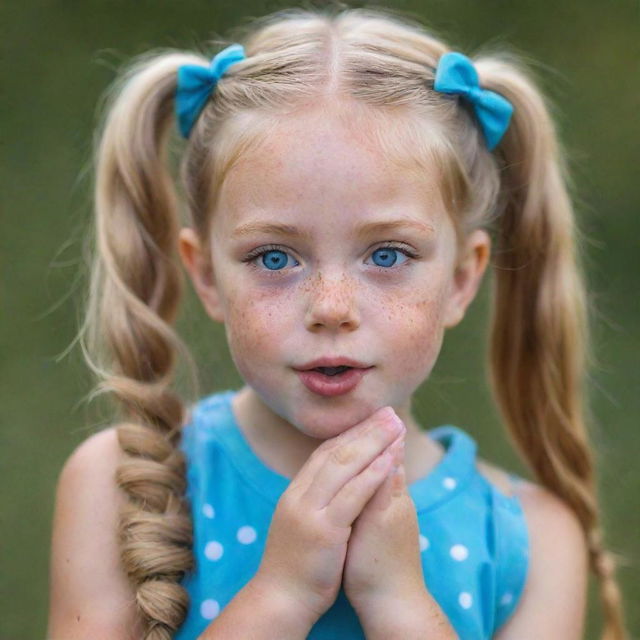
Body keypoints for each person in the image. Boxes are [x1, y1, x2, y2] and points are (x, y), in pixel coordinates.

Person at [46, 5, 629, 640]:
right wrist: (281, 596)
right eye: (274, 257)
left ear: (462, 278)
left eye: (387, 255)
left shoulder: (533, 541)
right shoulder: (119, 488)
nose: (331, 307)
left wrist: (399, 602)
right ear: (207, 275)